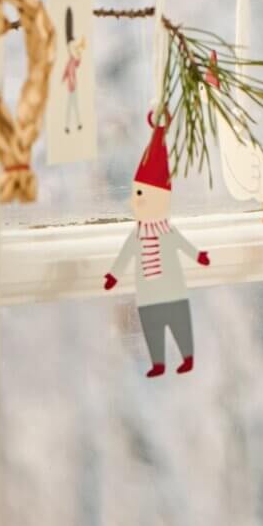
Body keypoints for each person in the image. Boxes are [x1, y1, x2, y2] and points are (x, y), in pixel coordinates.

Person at [103, 117, 210, 376]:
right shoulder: (139, 233)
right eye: (137, 195)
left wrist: (199, 256)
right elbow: (126, 253)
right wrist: (113, 276)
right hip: (151, 288)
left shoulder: (165, 229)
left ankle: (185, 355)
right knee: (156, 325)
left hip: (169, 286)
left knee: (177, 322)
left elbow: (182, 244)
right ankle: (159, 361)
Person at [62, 6, 87, 134]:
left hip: (73, 87)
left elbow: (77, 63)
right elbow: (66, 73)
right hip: (71, 87)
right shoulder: (69, 62)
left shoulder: (74, 60)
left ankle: (76, 123)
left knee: (74, 106)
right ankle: (72, 124)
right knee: (72, 106)